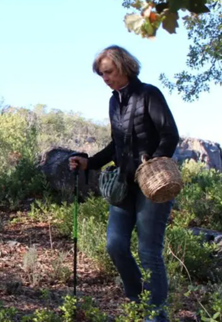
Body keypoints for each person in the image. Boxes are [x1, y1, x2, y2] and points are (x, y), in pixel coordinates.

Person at [69, 45, 179, 322]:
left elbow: (169, 134)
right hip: (123, 185)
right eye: (101, 74)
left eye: (109, 72)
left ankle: (156, 317)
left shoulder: (148, 94)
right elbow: (115, 145)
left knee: (148, 251)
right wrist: (89, 162)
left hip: (153, 186)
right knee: (115, 245)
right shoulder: (114, 101)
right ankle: (138, 302)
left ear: (124, 66)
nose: (105, 78)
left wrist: (153, 163)